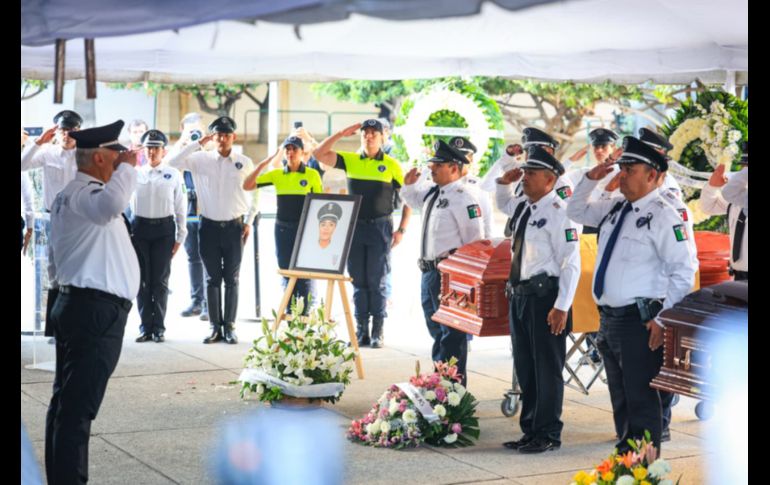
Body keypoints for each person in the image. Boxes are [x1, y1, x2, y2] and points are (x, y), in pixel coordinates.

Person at [566, 136, 697, 452]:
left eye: (630, 168)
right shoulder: (615, 207)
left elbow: (684, 270)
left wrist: (665, 319)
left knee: (641, 400)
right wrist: (589, 180)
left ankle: (644, 469)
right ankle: (626, 466)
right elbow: (576, 209)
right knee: (621, 399)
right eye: (621, 167)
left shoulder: (666, 214)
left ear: (652, 175)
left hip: (640, 321)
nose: (621, 174)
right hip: (609, 319)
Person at [45, 120, 139, 484]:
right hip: (93, 313)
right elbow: (113, 204)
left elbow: (56, 258)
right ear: (100, 158)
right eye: (116, 154)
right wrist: (130, 167)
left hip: (82, 307)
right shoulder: (88, 195)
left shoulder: (74, 194)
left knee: (66, 406)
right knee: (75, 412)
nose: (121, 159)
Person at [496, 146, 581, 453]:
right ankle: (530, 428)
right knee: (526, 367)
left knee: (546, 368)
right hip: (520, 296)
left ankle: (548, 432)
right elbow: (502, 201)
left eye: (531, 173)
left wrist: (562, 306)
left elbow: (572, 262)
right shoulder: (525, 207)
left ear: (550, 179)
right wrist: (503, 182)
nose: (525, 177)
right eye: (525, 172)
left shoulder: (561, 212)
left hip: (545, 299)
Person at [313, 119, 411, 349]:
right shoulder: (351, 160)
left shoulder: (392, 165)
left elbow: (409, 198)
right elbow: (319, 154)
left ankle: (378, 330)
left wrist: (402, 230)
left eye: (373, 133)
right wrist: (340, 132)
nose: (369, 137)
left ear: (382, 137)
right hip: (355, 227)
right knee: (357, 280)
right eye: (365, 133)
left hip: (381, 228)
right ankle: (360, 330)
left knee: (376, 280)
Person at [400, 140, 484, 386]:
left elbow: (475, 242)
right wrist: (408, 184)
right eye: (432, 164)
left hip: (451, 275)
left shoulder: (464, 198)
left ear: (454, 168)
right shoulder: (432, 193)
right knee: (437, 332)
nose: (432, 168)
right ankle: (440, 386)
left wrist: (463, 278)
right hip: (428, 272)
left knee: (452, 336)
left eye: (438, 165)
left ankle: (453, 391)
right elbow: (411, 198)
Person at [167, 116, 257, 345]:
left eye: (227, 134)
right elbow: (172, 162)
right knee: (212, 278)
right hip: (208, 226)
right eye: (218, 134)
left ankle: (230, 327)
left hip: (234, 227)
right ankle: (214, 326)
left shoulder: (244, 162)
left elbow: (255, 191)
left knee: (232, 279)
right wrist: (197, 143)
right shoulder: (199, 159)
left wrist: (249, 220)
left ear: (233, 137)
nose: (222, 138)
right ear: (213, 136)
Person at [243, 135, 323, 312]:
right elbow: (247, 185)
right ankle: (290, 310)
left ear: (302, 152)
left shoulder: (312, 175)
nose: (291, 152)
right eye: (287, 149)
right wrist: (263, 164)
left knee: (304, 271)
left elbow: (319, 204)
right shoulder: (278, 174)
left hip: (304, 230)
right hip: (283, 228)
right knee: (286, 270)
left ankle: (304, 311)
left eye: (294, 149)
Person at [131, 129, 187, 343]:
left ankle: (159, 328)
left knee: (160, 281)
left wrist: (181, 236)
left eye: (156, 148)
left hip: (164, 231)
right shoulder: (135, 173)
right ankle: (145, 327)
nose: (152, 151)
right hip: (140, 230)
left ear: (164, 151)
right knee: (143, 281)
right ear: (143, 150)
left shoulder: (173, 174)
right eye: (149, 148)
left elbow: (181, 207)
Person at [170, 112, 209, 321]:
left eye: (197, 129)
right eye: (189, 129)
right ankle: (196, 300)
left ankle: (208, 304)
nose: (195, 134)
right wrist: (185, 142)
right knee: (193, 256)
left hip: (207, 208)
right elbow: (171, 163)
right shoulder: (183, 151)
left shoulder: (210, 151)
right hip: (188, 208)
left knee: (208, 257)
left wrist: (202, 142)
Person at [699, 141, 748, 281]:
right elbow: (708, 206)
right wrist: (712, 187)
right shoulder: (740, 196)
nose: (743, 172)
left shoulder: (736, 195)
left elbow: (729, 192)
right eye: (743, 168)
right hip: (738, 276)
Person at [446, 136, 494, 238]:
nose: (458, 160)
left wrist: (487, 244)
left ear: (471, 158)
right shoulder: (442, 183)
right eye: (454, 156)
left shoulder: (479, 185)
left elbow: (486, 217)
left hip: (471, 243)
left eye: (463, 156)